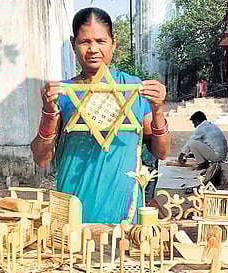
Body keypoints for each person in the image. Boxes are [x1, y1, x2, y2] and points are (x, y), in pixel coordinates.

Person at [31, 7, 169, 224]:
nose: (93, 49)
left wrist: (158, 109)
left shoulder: (134, 88)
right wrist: (49, 111)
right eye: (85, 42)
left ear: (114, 43)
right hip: (74, 210)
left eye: (101, 41)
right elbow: (41, 159)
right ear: (73, 44)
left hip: (125, 211)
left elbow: (161, 152)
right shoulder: (62, 93)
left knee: (125, 256)